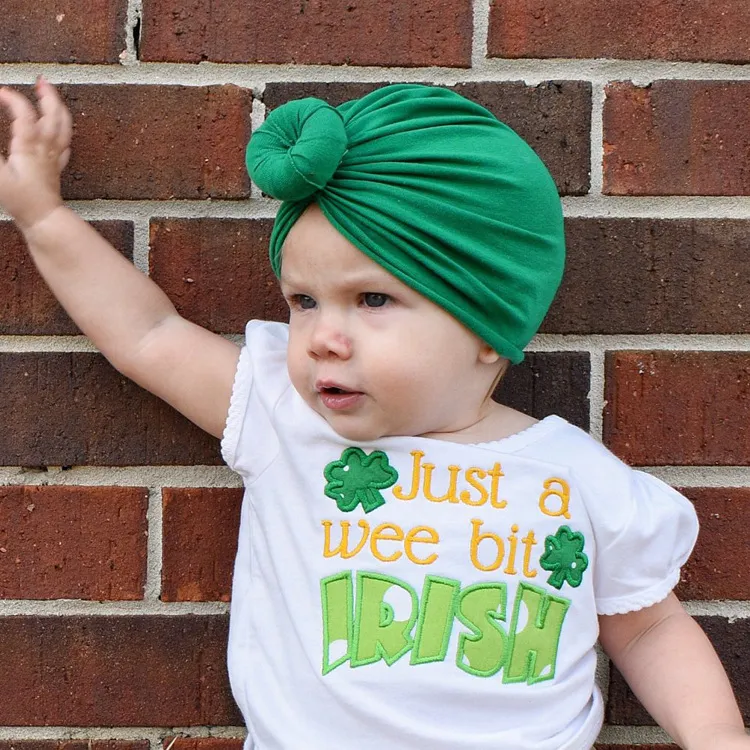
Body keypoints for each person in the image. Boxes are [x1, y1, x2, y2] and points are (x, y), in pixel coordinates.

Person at [0, 77, 746, 750]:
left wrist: (715, 733)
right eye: (303, 301)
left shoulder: (578, 478)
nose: (324, 337)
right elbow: (148, 335)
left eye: (374, 299)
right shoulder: (288, 421)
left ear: (487, 326)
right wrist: (42, 217)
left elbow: (647, 627)